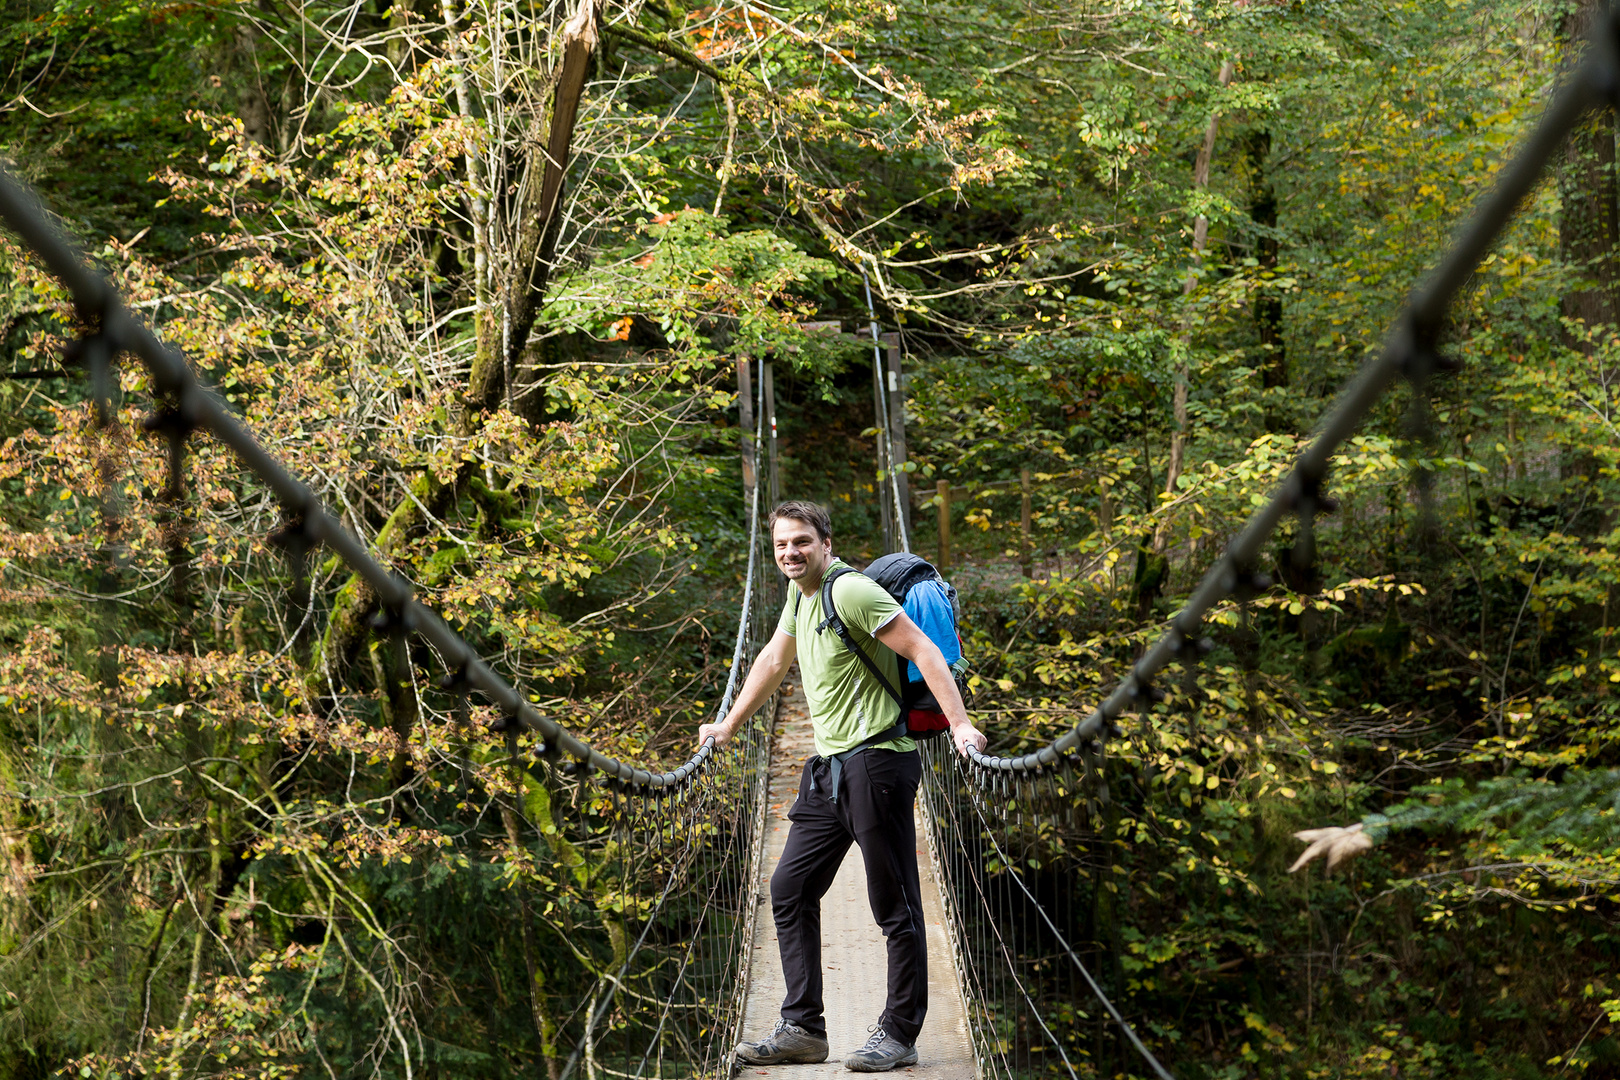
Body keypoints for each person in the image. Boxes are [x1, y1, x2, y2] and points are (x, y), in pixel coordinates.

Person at [697, 500, 986, 1073]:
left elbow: (922, 649)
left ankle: (898, 1035)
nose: (790, 553)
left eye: (801, 542)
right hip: (829, 767)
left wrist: (960, 725)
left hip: (878, 761)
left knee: (894, 905)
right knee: (789, 887)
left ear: (825, 543)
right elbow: (774, 661)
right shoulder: (798, 594)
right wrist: (727, 724)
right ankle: (804, 1028)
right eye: (781, 544)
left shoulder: (849, 591)